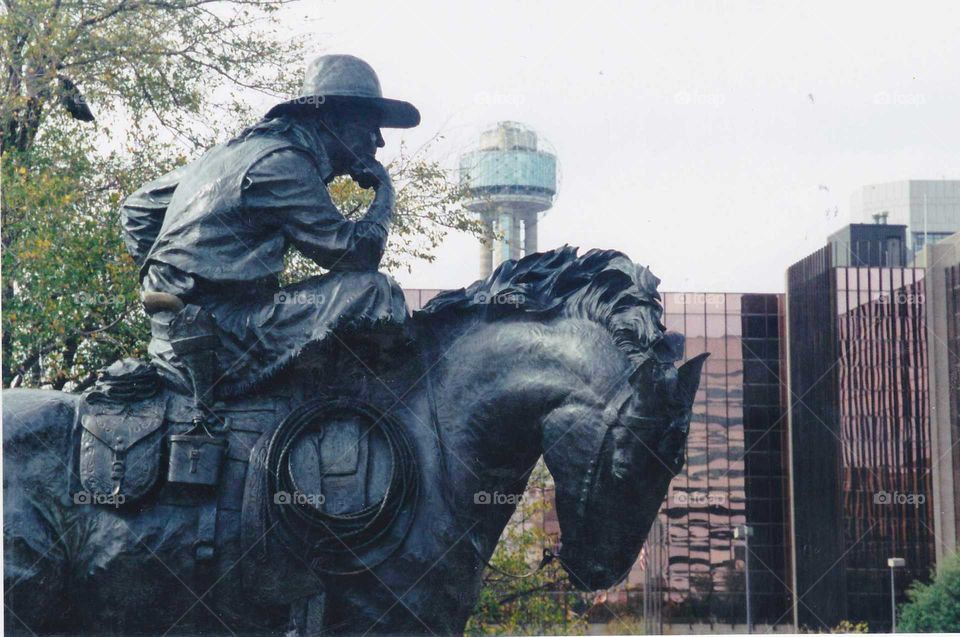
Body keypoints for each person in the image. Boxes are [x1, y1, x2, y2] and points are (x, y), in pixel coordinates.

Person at [120, 54, 419, 401]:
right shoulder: (285, 164)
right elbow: (358, 254)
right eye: (370, 126)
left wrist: (168, 294)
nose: (379, 142)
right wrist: (385, 191)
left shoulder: (229, 154)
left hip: (180, 332)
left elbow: (137, 209)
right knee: (373, 290)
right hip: (221, 336)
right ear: (333, 120)